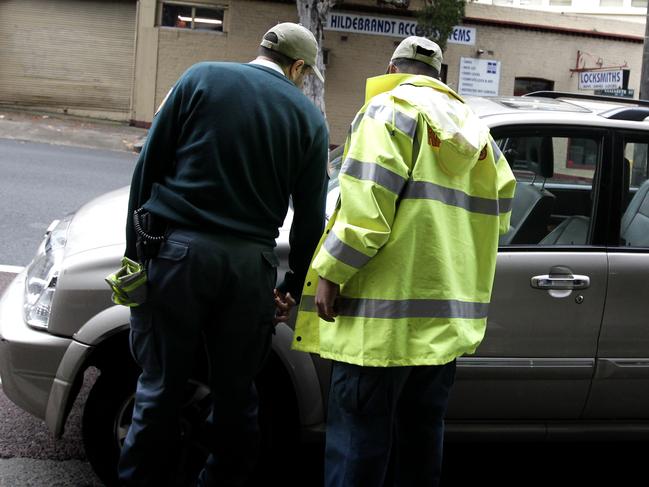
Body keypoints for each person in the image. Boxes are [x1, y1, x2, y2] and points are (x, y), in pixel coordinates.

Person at [292, 36, 516, 486]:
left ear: (392, 66)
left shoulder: (388, 110)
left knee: (358, 444)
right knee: (420, 443)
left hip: (380, 326)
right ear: (440, 75)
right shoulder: (478, 133)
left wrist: (331, 274)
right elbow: (499, 220)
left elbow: (365, 213)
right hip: (442, 328)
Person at [117, 23, 329, 486]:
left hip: (176, 257)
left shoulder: (200, 78)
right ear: (297, 67)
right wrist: (290, 287)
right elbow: (312, 222)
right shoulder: (310, 120)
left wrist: (135, 256)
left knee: (158, 391)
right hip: (248, 270)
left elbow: (147, 169)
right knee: (236, 398)